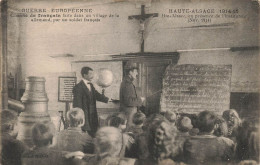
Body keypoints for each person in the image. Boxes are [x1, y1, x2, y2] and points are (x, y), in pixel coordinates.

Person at [73, 66, 109, 137]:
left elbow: (96, 95)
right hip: (85, 117)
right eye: (90, 74)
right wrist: (80, 119)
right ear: (84, 75)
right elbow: (77, 105)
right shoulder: (78, 87)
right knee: (85, 136)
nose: (92, 76)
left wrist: (107, 99)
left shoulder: (91, 85)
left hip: (93, 116)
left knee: (94, 134)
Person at [120, 61, 145, 130]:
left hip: (130, 113)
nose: (137, 73)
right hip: (129, 114)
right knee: (129, 131)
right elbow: (129, 101)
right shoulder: (127, 83)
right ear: (130, 72)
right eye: (135, 71)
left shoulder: (128, 82)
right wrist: (140, 100)